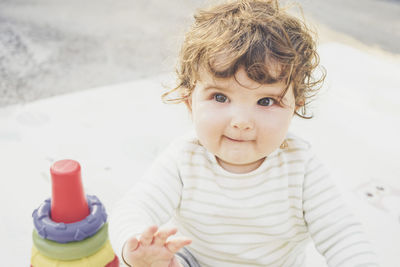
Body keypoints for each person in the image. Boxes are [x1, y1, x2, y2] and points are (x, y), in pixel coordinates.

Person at [110, 0, 379, 266]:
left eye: (265, 102)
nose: (241, 121)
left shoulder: (300, 166)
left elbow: (342, 235)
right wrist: (137, 245)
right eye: (219, 97)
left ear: (294, 109)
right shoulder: (184, 158)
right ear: (190, 101)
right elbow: (134, 208)